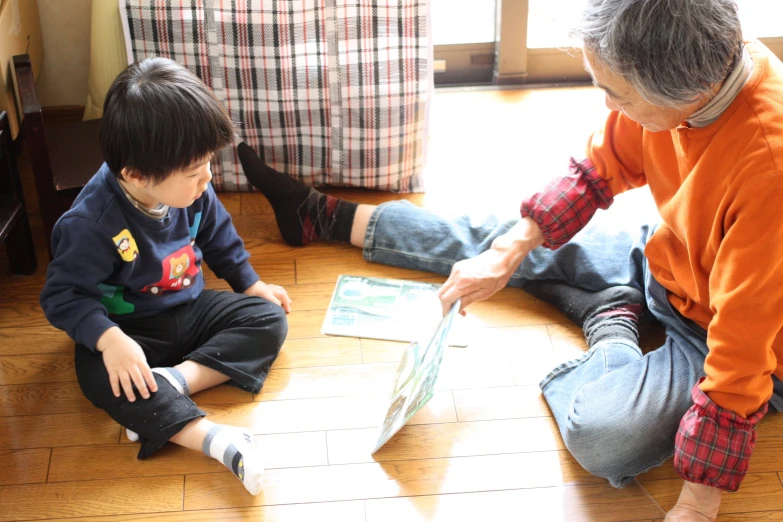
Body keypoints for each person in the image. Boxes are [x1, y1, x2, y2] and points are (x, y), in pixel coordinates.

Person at [236, 0, 783, 518]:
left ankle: (610, 322)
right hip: (677, 259)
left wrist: (696, 505)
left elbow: (740, 360)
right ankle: (325, 216)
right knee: (497, 241)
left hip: (727, 340)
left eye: (618, 95)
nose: (610, 107)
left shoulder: (769, 172)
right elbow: (600, 166)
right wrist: (507, 252)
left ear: (686, 90)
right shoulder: (707, 66)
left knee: (604, 437)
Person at [39, 57, 292, 496]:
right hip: (131, 332)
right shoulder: (90, 223)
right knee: (97, 378)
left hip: (191, 308)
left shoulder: (193, 189)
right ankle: (215, 440)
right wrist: (110, 340)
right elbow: (63, 296)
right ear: (136, 174)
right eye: (194, 173)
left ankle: (174, 382)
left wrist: (250, 284)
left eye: (208, 164)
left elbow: (219, 238)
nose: (207, 179)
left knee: (270, 318)